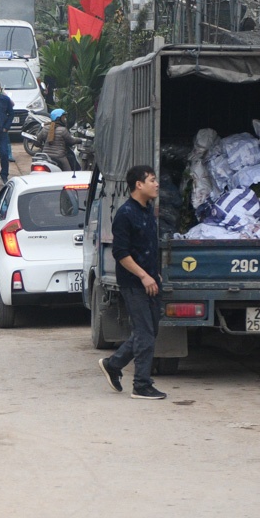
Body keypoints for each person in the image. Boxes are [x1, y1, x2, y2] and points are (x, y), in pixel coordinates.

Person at [100, 165, 167, 400]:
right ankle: (141, 384)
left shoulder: (148, 210)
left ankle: (113, 364)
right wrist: (143, 275)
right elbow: (121, 253)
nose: (156, 184)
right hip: (133, 283)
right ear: (139, 185)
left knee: (149, 331)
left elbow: (148, 247)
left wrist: (154, 273)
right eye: (151, 180)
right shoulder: (125, 214)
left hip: (150, 281)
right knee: (145, 333)